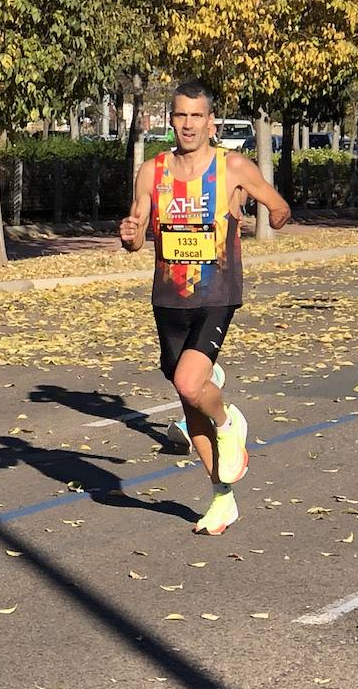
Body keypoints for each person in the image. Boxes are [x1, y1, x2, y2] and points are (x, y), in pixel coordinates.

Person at [118, 79, 290, 536]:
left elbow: (280, 208)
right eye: (180, 115)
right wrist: (131, 235)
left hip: (216, 293)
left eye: (197, 116)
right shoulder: (151, 171)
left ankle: (229, 419)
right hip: (168, 297)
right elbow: (136, 236)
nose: (188, 124)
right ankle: (222, 498)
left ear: (210, 121)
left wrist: (259, 215)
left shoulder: (232, 166)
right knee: (188, 398)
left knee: (188, 383)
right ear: (170, 120)